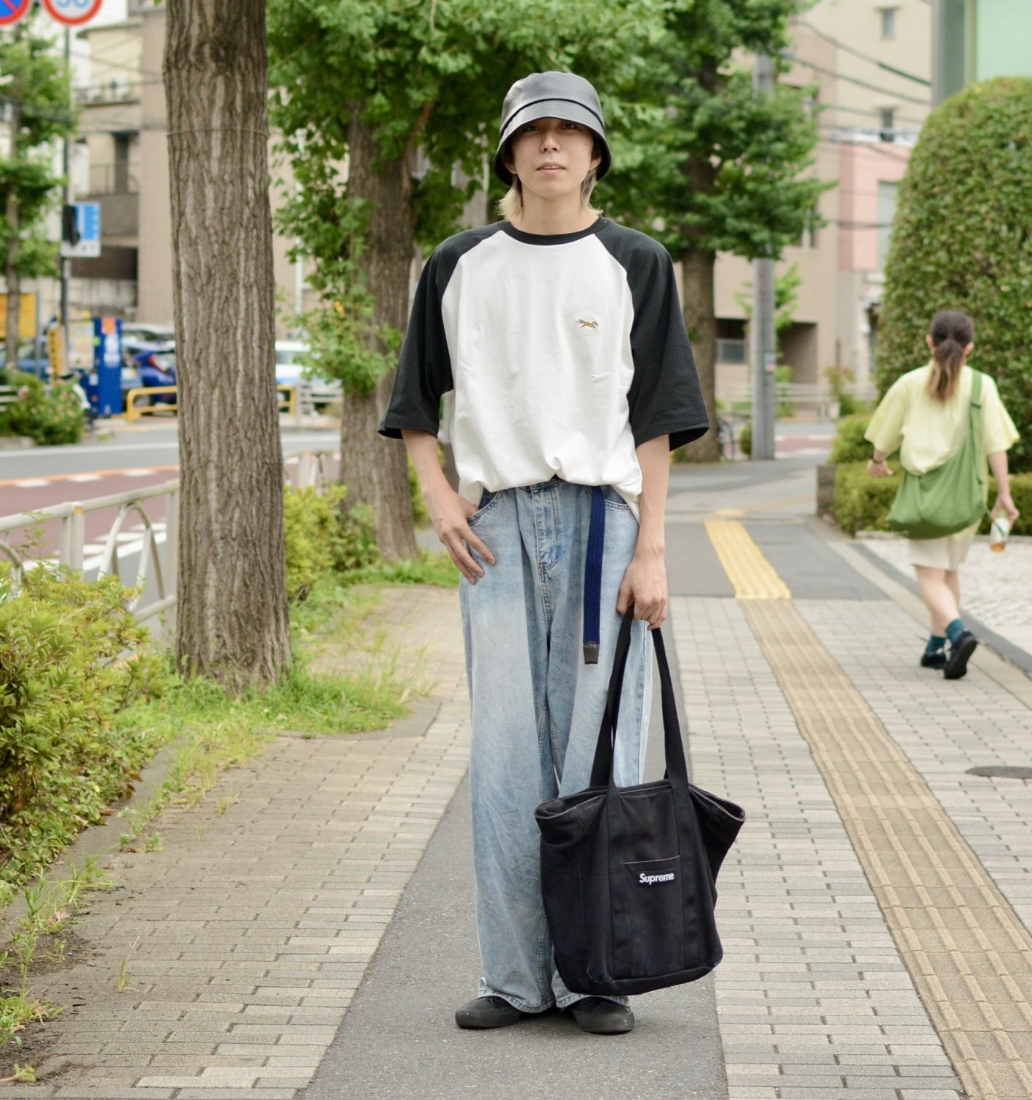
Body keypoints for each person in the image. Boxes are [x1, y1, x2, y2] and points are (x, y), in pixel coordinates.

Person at [379, 72, 708, 1036]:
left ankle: (595, 973)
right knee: (506, 754)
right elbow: (413, 405)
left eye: (571, 134)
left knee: (600, 744)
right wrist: (439, 498)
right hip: (500, 527)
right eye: (535, 133)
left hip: (608, 521)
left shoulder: (635, 261)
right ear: (510, 153)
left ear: (597, 153)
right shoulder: (459, 263)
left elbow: (659, 420)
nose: (552, 148)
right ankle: (518, 979)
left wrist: (654, 548)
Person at [865, 311, 1019, 679]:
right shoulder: (983, 386)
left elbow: (886, 434)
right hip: (967, 494)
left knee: (930, 576)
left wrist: (877, 461)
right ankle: (937, 647)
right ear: (970, 347)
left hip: (926, 494)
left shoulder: (911, 382)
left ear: (929, 342)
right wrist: (1005, 494)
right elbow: (996, 444)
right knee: (949, 571)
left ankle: (957, 632)